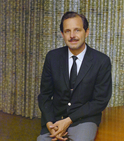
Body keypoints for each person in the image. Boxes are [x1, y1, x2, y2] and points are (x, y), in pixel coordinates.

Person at [37, 11, 112, 141]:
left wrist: (68, 120)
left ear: (86, 32)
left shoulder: (101, 61)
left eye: (77, 30)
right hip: (56, 118)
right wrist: (49, 122)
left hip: (84, 119)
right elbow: (44, 95)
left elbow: (100, 101)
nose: (72, 36)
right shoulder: (52, 57)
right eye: (67, 31)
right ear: (62, 34)